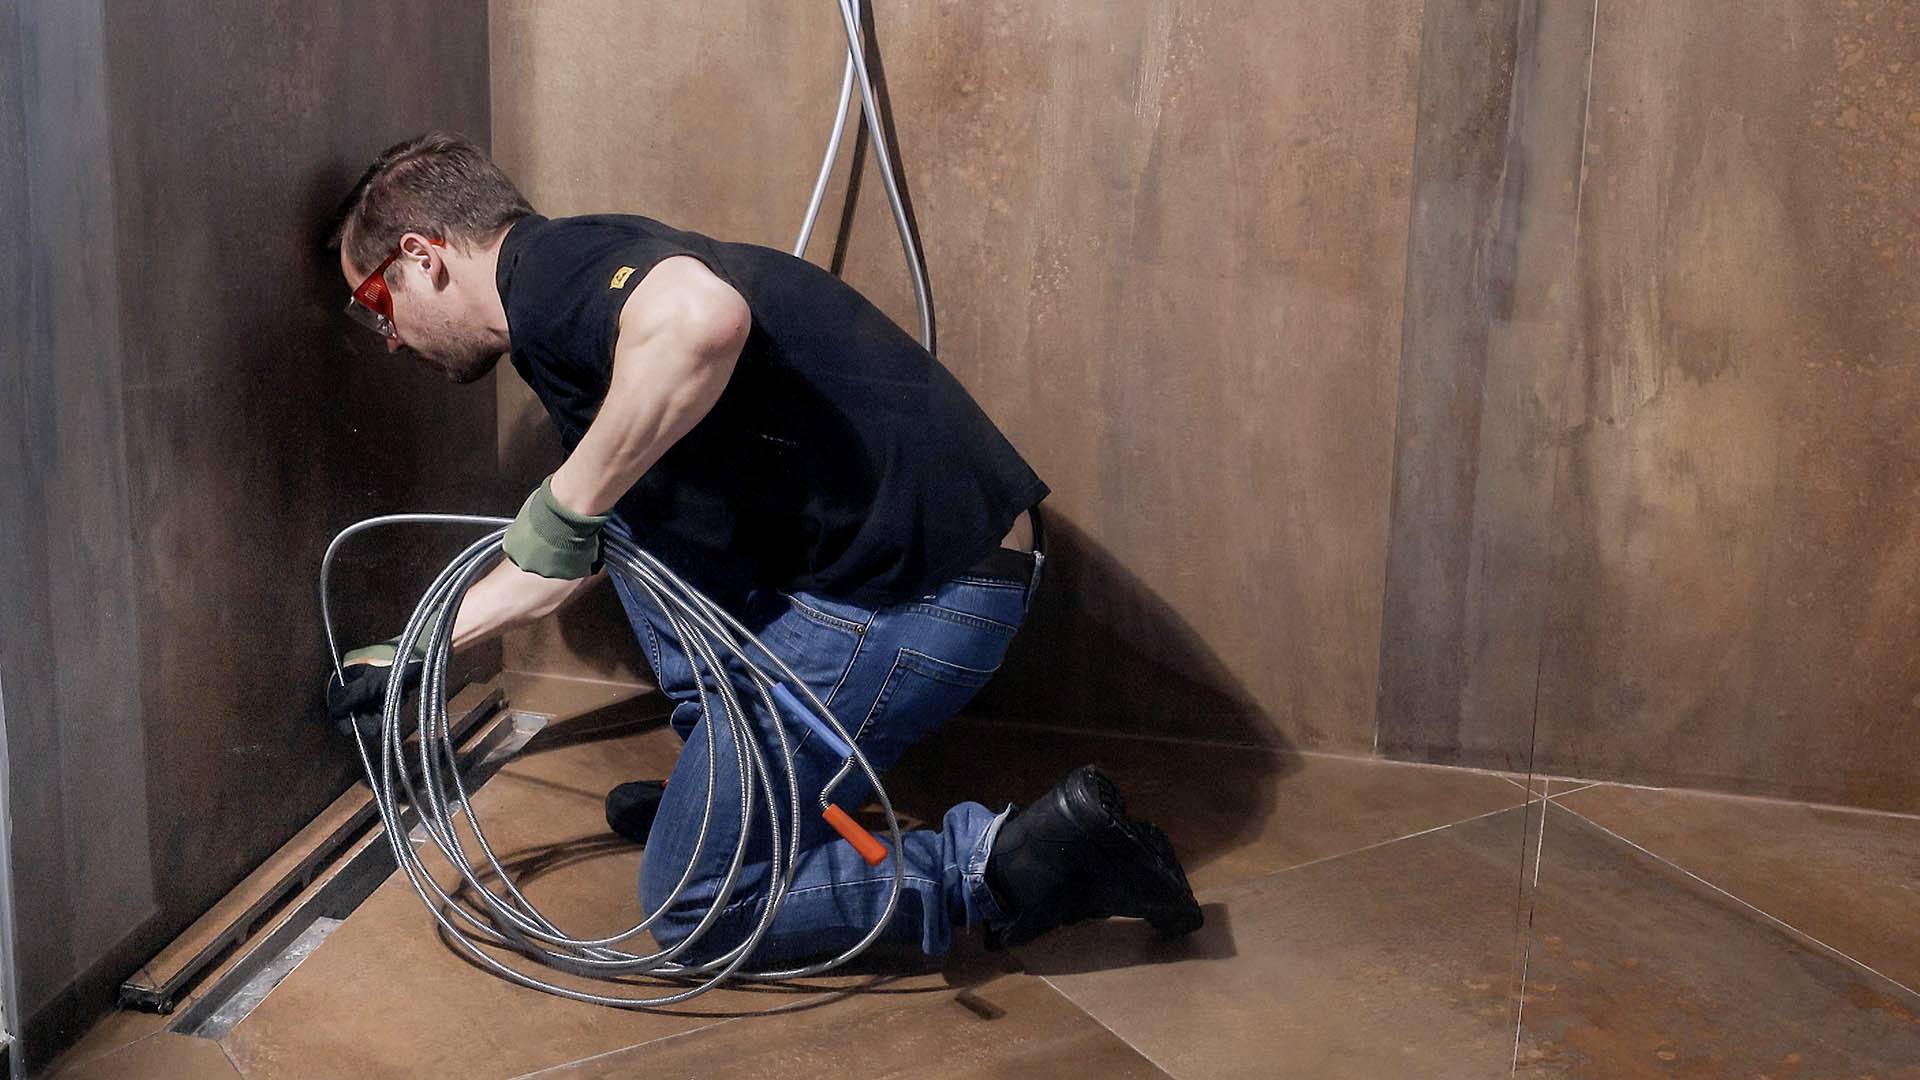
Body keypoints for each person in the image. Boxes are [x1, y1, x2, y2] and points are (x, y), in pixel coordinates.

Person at [322, 132, 1201, 962]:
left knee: (696, 909)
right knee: (629, 518)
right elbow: (567, 559)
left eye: (375, 306)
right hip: (909, 572)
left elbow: (702, 319)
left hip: (914, 601)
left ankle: (1014, 864)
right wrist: (416, 651)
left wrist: (563, 506)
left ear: (422, 255)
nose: (390, 336)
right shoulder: (564, 277)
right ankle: (740, 805)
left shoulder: (555, 281)